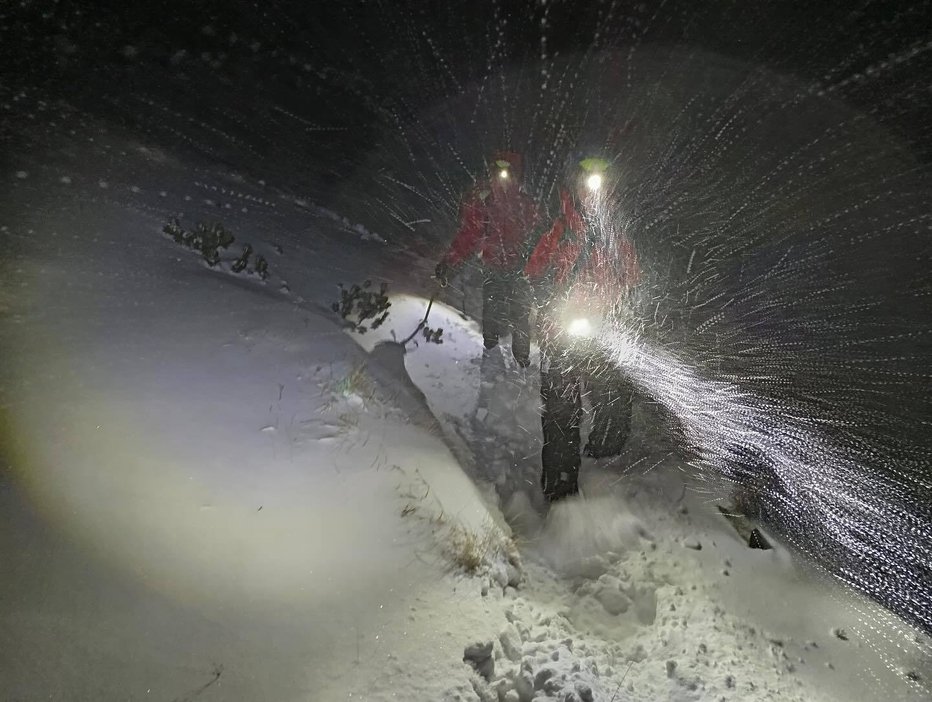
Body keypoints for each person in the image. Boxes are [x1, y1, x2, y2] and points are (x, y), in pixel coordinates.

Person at [525, 156, 641, 501]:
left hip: (601, 331)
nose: (593, 187)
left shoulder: (615, 234)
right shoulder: (560, 229)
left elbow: (633, 277)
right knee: (561, 410)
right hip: (561, 332)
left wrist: (626, 309)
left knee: (615, 395)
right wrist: (547, 298)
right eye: (586, 179)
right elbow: (534, 269)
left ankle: (606, 461)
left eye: (600, 180)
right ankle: (561, 489)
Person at [435, 151, 539, 367]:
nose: (504, 175)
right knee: (492, 311)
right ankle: (491, 352)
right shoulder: (485, 202)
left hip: (519, 268)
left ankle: (521, 359)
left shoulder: (525, 205)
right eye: (499, 169)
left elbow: (540, 237)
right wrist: (449, 262)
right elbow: (468, 235)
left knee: (519, 313)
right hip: (494, 266)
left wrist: (539, 266)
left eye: (509, 170)